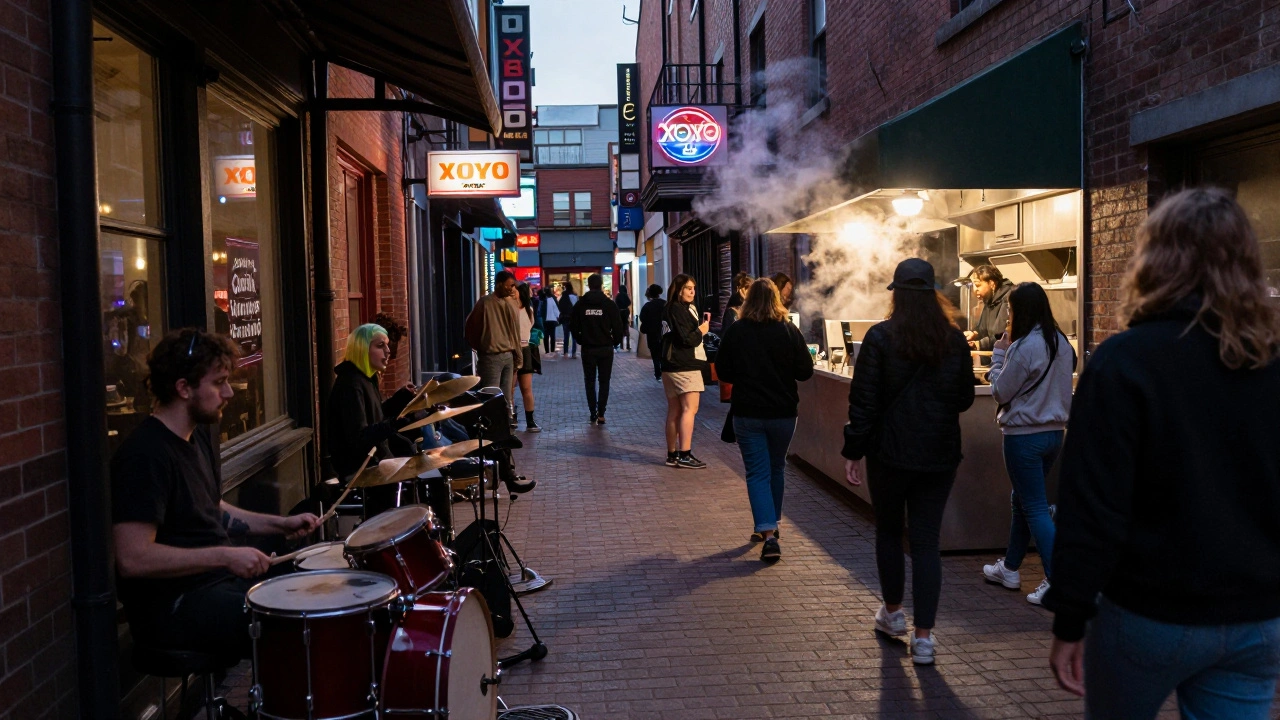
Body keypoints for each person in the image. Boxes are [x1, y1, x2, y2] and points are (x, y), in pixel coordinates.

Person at [1044, 188, 1280, 718]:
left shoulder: (1124, 362)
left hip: (1150, 611)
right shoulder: (1270, 361)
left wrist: (1070, 617)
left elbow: (1092, 508)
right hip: (1256, 617)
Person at [112, 328, 320, 659]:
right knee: (294, 623)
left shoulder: (199, 437)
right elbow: (133, 558)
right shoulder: (144, 455)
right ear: (183, 388)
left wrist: (280, 524)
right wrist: (225, 556)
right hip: (174, 605)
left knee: (315, 585)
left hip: (215, 584)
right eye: (217, 382)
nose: (228, 393)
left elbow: (213, 507)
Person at [841, 258, 975, 666]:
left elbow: (863, 402)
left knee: (888, 533)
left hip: (890, 453)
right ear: (934, 295)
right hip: (939, 454)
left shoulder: (880, 338)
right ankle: (924, 639)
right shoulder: (953, 341)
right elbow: (966, 399)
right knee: (926, 543)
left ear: (896, 294)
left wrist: (853, 450)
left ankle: (894, 615)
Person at [981, 282, 1075, 606]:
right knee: (1023, 499)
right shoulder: (1061, 342)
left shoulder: (1023, 347)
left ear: (1020, 310)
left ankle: (1057, 580)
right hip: (1054, 435)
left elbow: (999, 392)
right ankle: (1009, 568)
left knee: (1033, 506)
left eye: (1010, 310)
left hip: (1024, 437)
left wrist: (998, 356)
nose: (1008, 315)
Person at [715, 278, 813, 562]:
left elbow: (724, 372)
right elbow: (805, 372)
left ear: (748, 301)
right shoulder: (789, 330)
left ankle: (768, 532)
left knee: (757, 472)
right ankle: (771, 524)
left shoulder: (737, 331)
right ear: (776, 300)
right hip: (783, 413)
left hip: (748, 412)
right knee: (776, 467)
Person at [326, 323, 422, 514]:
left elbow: (374, 414)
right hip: (360, 468)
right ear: (362, 348)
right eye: (380, 346)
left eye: (387, 345)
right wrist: (393, 425)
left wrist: (400, 398)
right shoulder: (350, 385)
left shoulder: (366, 378)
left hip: (376, 461)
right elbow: (359, 437)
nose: (388, 351)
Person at [661, 274, 710, 469]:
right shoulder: (678, 309)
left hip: (669, 366)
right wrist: (702, 330)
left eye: (694, 288)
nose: (692, 292)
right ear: (679, 289)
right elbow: (687, 339)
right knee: (690, 409)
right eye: (688, 288)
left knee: (675, 410)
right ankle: (685, 454)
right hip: (685, 365)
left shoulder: (668, 309)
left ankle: (672, 454)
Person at [464, 270, 523, 417]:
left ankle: (504, 426)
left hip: (504, 355)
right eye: (509, 286)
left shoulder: (506, 302)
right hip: (494, 355)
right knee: (492, 396)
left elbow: (471, 328)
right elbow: (472, 327)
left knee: (502, 395)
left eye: (513, 286)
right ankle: (496, 427)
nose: (511, 289)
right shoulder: (486, 302)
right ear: (499, 284)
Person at [571, 273, 626, 425]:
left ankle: (592, 411)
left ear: (589, 285)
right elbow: (618, 327)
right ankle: (601, 412)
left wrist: (581, 339)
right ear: (601, 285)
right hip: (605, 348)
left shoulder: (581, 304)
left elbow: (573, 326)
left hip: (588, 348)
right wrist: (615, 342)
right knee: (604, 381)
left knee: (589, 380)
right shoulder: (609, 304)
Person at [512, 283, 542, 432]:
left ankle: (528, 421)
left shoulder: (527, 310)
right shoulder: (522, 309)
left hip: (521, 350)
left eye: (514, 290)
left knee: (523, 388)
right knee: (512, 388)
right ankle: (515, 418)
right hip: (518, 349)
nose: (512, 292)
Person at [964, 264, 1014, 352]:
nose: (975, 290)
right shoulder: (989, 301)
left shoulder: (1009, 298)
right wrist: (974, 333)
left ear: (992, 284)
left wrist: (979, 344)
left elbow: (1002, 335)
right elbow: (982, 329)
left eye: (978, 285)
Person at [638, 284, 666, 381]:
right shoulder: (665, 304)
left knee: (655, 355)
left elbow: (642, 318)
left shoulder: (647, 306)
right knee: (664, 353)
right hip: (664, 333)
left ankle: (657, 374)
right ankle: (665, 371)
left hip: (652, 333)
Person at [558, 284, 579, 358]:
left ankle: (566, 353)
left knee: (566, 336)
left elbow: (559, 306)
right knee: (574, 337)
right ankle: (574, 353)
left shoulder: (563, 297)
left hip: (565, 318)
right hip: (574, 319)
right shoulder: (575, 296)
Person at [541, 286, 560, 355]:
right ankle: (552, 350)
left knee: (546, 336)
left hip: (545, 320)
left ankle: (547, 351)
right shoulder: (553, 298)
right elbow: (556, 309)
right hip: (553, 320)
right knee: (552, 336)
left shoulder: (542, 299)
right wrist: (558, 317)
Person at [615, 284, 633, 351]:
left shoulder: (618, 296)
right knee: (626, 328)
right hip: (625, 313)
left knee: (621, 329)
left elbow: (616, 303)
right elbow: (629, 302)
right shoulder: (625, 295)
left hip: (620, 313)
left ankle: (622, 345)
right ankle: (628, 345)